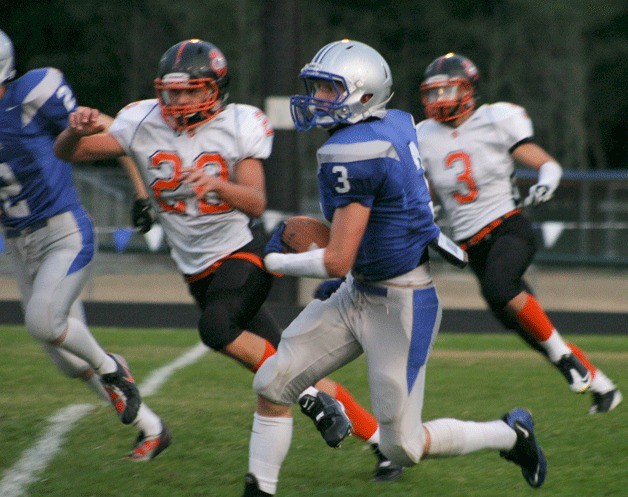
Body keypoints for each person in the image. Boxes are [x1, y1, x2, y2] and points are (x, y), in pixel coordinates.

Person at [53, 38, 403, 481]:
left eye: (190, 91)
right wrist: (74, 130)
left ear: (214, 90)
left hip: (243, 256)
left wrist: (218, 187)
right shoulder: (139, 121)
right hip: (198, 273)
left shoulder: (238, 124)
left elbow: (256, 201)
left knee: (217, 329)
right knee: (285, 365)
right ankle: (381, 443)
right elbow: (69, 153)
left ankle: (315, 401)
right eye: (172, 90)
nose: (178, 100)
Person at [236, 39, 547, 496]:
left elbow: (337, 260)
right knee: (273, 383)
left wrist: (273, 260)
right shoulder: (396, 122)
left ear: (364, 96)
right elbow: (367, 236)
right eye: (317, 87)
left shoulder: (354, 151)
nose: (316, 99)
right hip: (361, 288)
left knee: (402, 447)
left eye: (328, 89)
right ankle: (259, 489)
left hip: (400, 302)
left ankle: (510, 435)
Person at [416, 52, 622, 414]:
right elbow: (429, 191)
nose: (438, 100)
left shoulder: (496, 119)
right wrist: (425, 210)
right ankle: (604, 388)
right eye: (432, 94)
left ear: (467, 90)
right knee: (527, 327)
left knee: (502, 285)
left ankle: (564, 358)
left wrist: (546, 183)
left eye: (446, 91)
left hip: (508, 229)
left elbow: (546, 163)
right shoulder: (423, 135)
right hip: (472, 246)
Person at [0, 29, 170, 461]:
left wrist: (140, 192)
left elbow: (116, 131)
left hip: (62, 234)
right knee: (70, 362)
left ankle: (114, 367)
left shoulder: (33, 95)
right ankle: (152, 428)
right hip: (20, 244)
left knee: (43, 321)